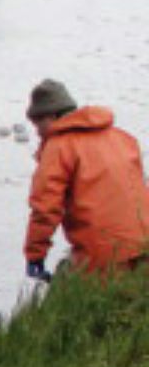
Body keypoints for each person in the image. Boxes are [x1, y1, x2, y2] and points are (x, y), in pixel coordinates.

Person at [24, 79, 149, 277]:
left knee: (95, 291)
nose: (37, 132)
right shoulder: (122, 137)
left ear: (53, 116)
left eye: (39, 123)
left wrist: (35, 254)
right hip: (144, 243)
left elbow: (45, 208)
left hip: (102, 252)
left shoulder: (58, 147)